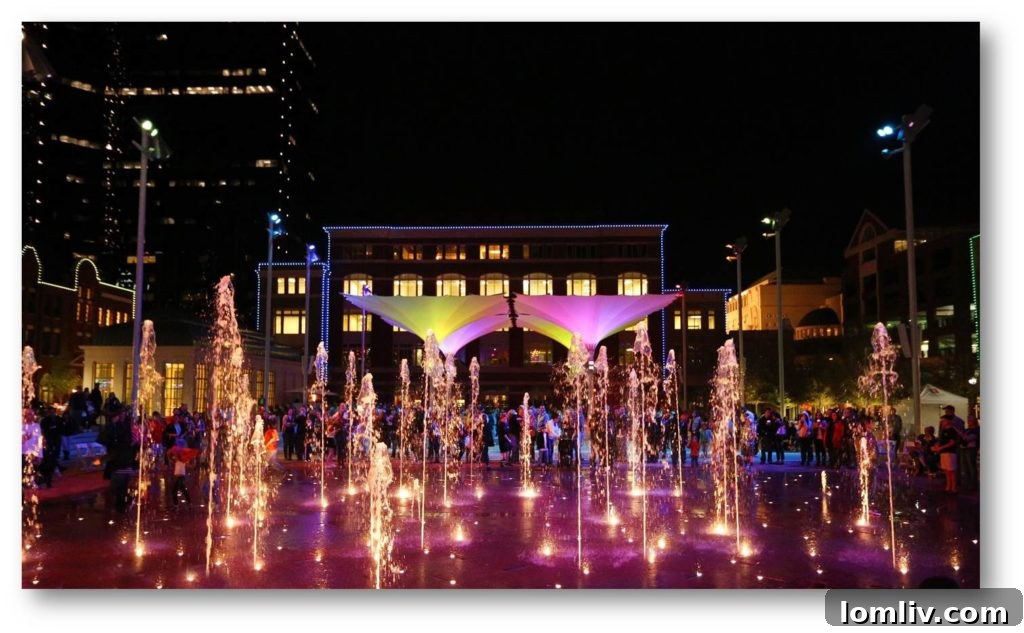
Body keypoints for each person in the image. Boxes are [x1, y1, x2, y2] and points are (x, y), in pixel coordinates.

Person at [933, 415, 960, 493]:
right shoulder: (943, 431)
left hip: (950, 452)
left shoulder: (952, 430)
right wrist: (937, 447)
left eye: (944, 420)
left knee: (951, 471)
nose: (942, 422)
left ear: (949, 421)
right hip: (943, 452)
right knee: (946, 471)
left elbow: (952, 442)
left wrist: (941, 448)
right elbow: (941, 442)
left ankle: (953, 487)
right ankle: (948, 487)